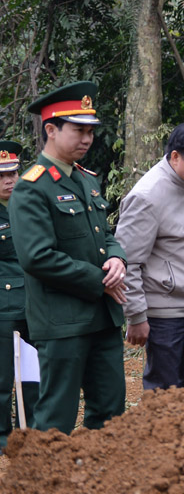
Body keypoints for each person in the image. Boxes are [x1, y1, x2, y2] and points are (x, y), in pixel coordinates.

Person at [10, 81, 127, 434]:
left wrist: (118, 259)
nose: (87, 139)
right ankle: (42, 487)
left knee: (110, 411)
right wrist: (100, 281)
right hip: (62, 321)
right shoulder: (32, 187)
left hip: (103, 319)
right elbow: (37, 257)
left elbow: (105, 234)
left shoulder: (88, 181)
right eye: (78, 130)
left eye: (91, 131)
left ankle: (100, 482)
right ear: (51, 129)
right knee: (56, 415)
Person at [115, 123, 184, 394]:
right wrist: (136, 316)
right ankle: (159, 438)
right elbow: (128, 261)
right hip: (166, 313)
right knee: (164, 392)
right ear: (175, 156)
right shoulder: (147, 196)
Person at [0, 141, 37, 448]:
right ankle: (3, 437)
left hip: (36, 304)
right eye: (1, 175)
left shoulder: (29, 205)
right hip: (4, 305)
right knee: (2, 379)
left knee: (33, 374)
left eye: (12, 172)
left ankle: (32, 431)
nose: (8, 180)